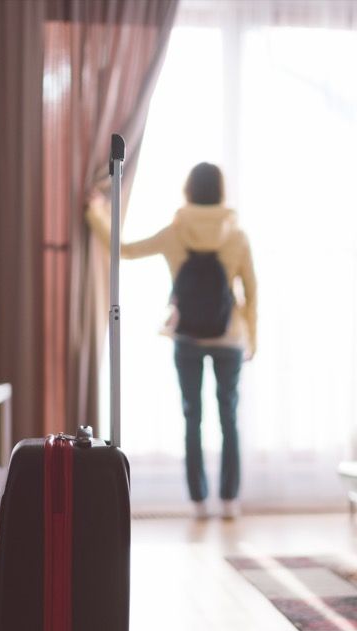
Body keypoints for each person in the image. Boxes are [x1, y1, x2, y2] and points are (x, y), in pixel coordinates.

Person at [88, 162, 257, 520]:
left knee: (192, 417)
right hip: (229, 338)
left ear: (189, 191)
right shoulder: (237, 235)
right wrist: (252, 339)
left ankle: (198, 502)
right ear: (221, 192)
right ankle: (230, 502)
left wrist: (96, 212)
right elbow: (251, 292)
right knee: (229, 418)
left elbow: (125, 249)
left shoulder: (176, 232)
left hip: (188, 334)